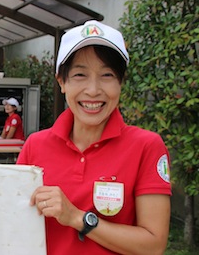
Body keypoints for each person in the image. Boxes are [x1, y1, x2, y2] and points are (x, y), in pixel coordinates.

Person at [16, 20, 171, 254]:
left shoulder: (146, 146)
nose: (93, 90)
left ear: (120, 83)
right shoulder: (35, 145)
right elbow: (14, 225)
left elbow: (154, 245)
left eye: (107, 75)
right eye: (80, 75)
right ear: (62, 82)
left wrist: (78, 218)